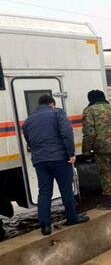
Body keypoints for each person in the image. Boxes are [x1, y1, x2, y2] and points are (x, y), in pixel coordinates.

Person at [22, 95, 89, 235]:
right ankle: (72, 217)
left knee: (44, 191)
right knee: (66, 189)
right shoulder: (57, 113)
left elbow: (28, 140)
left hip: (40, 161)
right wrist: (71, 153)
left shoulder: (28, 120)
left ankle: (45, 226)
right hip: (59, 158)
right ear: (52, 104)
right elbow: (66, 133)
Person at [82, 90, 111, 209]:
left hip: (101, 148)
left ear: (90, 100)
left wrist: (86, 151)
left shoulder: (89, 111)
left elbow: (89, 133)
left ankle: (109, 202)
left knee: (105, 173)